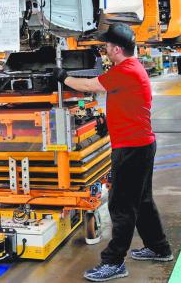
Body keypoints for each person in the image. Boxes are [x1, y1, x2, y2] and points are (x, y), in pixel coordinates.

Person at [53, 24, 172, 282]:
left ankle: (114, 262)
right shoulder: (131, 68)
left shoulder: (126, 70)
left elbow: (92, 85)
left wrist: (62, 77)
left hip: (132, 148)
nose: (105, 50)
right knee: (142, 201)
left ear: (116, 49)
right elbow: (125, 100)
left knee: (121, 204)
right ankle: (159, 247)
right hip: (140, 144)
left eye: (107, 46)